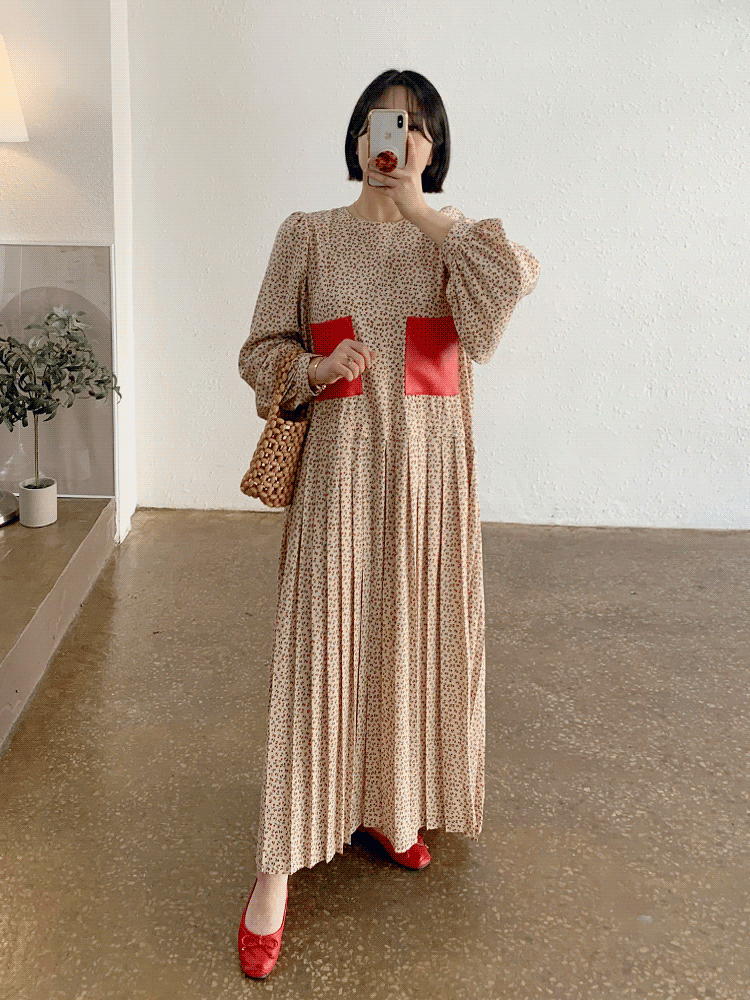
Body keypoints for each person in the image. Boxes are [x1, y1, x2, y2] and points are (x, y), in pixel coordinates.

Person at [236, 68, 541, 978]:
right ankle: (275, 869)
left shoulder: (458, 244)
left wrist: (425, 213)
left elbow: (509, 293)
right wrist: (314, 370)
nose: (395, 140)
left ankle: (389, 806)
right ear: (356, 134)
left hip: (429, 486)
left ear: (432, 146)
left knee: (411, 641)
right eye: (383, 123)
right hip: (339, 477)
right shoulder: (308, 235)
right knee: (320, 652)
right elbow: (260, 351)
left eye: (414, 127)